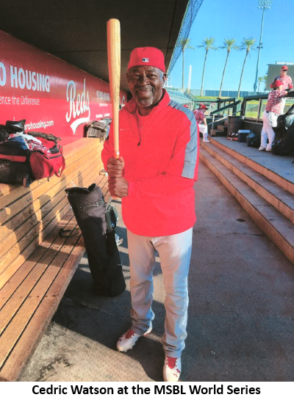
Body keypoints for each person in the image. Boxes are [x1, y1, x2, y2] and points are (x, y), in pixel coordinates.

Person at [102, 47, 199, 382]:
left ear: (162, 79)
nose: (142, 82)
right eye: (135, 75)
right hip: (138, 220)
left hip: (174, 222)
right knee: (139, 281)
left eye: (150, 75)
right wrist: (111, 168)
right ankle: (140, 326)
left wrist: (133, 189)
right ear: (128, 79)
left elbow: (183, 177)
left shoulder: (183, 117)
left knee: (175, 291)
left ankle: (173, 350)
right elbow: (109, 155)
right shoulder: (121, 117)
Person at [259, 79, 287, 152]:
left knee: (264, 131)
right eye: (281, 85)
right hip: (271, 114)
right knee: (272, 131)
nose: (282, 86)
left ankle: (263, 145)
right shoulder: (277, 92)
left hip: (266, 113)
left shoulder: (271, 92)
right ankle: (270, 147)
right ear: (278, 86)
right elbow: (286, 93)